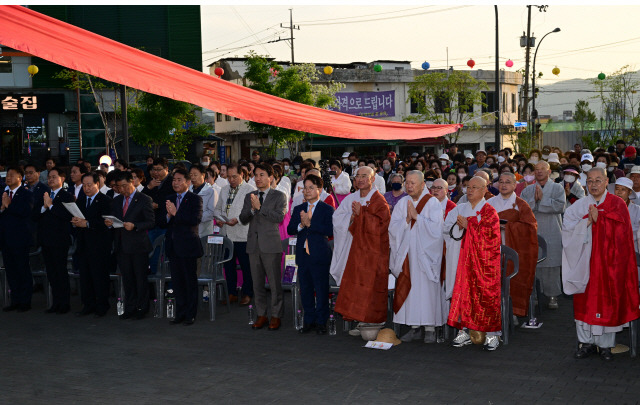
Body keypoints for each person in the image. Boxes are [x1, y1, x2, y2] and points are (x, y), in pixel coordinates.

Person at [562, 167, 640, 361]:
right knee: (584, 300)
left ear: (607, 182)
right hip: (585, 263)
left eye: (598, 180)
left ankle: (606, 345)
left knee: (607, 301)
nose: (594, 184)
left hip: (608, 264)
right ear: (585, 183)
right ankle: (585, 342)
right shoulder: (579, 205)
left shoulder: (617, 204)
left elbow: (624, 235)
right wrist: (586, 222)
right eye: (590, 181)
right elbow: (567, 227)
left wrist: (601, 219)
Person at [443, 176, 502, 351]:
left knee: (486, 296)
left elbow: (492, 238)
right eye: (468, 187)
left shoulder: (489, 211)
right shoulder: (459, 208)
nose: (470, 190)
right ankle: (464, 330)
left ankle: (492, 334)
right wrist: (460, 227)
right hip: (461, 260)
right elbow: (447, 230)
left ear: (485, 190)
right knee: (462, 293)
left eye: (475, 187)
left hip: (484, 264)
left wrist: (470, 227)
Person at [330, 166, 391, 332]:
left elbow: (382, 226)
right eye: (358, 176)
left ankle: (372, 320)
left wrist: (362, 215)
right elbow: (337, 219)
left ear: (373, 179)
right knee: (356, 284)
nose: (361, 179)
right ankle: (359, 318)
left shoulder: (379, 201)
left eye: (365, 176)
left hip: (372, 252)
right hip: (353, 249)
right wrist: (352, 217)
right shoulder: (351, 198)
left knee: (369, 285)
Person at [389, 170, 445, 343]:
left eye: (413, 183)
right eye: (407, 182)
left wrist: (417, 218)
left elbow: (437, 230)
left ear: (423, 185)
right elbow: (393, 228)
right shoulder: (402, 202)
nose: (409, 186)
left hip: (426, 256)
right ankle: (413, 327)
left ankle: (429, 328)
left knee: (426, 291)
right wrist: (406, 220)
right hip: (406, 255)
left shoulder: (432, 202)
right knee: (411, 291)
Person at [239, 164, 288, 331]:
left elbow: (279, 217)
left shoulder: (279, 196)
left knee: (274, 284)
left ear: (271, 177)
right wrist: (252, 210)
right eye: (256, 175)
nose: (258, 178)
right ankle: (261, 314)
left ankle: (276, 315)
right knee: (257, 284)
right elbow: (243, 218)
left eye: (262, 175)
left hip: (271, 245)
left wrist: (261, 208)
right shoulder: (249, 196)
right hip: (253, 245)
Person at [287, 174, 335, 335]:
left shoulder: (327, 209)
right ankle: (309, 320)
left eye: (310, 188)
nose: (307, 191)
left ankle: (322, 322)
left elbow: (329, 230)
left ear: (319, 190)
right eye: (304, 188)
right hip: (302, 254)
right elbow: (290, 229)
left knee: (321, 289)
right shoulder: (298, 209)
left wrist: (311, 224)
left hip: (320, 254)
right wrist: (302, 224)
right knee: (306, 288)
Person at [487, 172, 538, 318]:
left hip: (514, 248)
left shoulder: (521, 205)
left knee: (512, 278)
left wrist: (509, 227)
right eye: (501, 182)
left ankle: (513, 311)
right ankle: (493, 311)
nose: (503, 185)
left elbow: (531, 227)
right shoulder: (490, 203)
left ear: (515, 185)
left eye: (508, 182)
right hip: (491, 248)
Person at [105, 171, 155, 320]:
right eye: (119, 187)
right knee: (127, 279)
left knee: (140, 278)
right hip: (122, 245)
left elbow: (151, 222)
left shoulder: (144, 199)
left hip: (138, 245)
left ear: (132, 181)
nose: (123, 190)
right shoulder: (116, 200)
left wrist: (135, 226)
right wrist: (109, 223)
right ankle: (130, 307)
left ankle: (142, 307)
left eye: (125, 186)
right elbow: (115, 219)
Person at [521, 161, 566, 309]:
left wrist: (543, 200)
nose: (539, 172)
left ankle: (552, 295)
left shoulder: (558, 188)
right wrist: (534, 200)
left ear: (549, 171)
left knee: (552, 265)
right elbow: (522, 208)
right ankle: (533, 295)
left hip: (552, 230)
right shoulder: (528, 190)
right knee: (533, 265)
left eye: (542, 169)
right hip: (533, 231)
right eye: (536, 169)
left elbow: (560, 206)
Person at [162, 168, 203, 325]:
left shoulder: (194, 199)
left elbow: (194, 220)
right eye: (174, 180)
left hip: (188, 246)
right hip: (173, 246)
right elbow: (160, 221)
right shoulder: (170, 198)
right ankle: (179, 313)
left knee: (189, 282)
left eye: (179, 180)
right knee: (177, 282)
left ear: (187, 182)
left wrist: (176, 213)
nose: (175, 182)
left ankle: (190, 314)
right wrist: (167, 215)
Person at [214, 164, 256, 306]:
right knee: (228, 266)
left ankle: (247, 293)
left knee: (246, 266)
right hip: (226, 234)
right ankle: (231, 293)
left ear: (242, 175)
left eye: (234, 177)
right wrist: (219, 219)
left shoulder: (250, 190)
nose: (231, 180)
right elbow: (218, 208)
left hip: (242, 233)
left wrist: (237, 220)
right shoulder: (224, 189)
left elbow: (251, 212)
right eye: (229, 177)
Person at [73, 172, 113, 317]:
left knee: (99, 277)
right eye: (84, 185)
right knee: (85, 277)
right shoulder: (81, 200)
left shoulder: (105, 200)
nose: (87, 188)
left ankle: (102, 305)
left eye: (90, 185)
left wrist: (87, 223)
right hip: (83, 244)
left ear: (97, 184)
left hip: (99, 245)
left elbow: (107, 223)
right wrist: (76, 222)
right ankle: (88, 304)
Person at [37, 167, 74, 314]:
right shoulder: (44, 195)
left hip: (59, 240)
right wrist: (44, 207)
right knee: (51, 273)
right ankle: (55, 303)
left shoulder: (66, 196)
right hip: (46, 240)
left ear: (62, 179)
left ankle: (64, 303)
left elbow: (66, 216)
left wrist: (50, 206)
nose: (50, 179)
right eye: (49, 177)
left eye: (54, 177)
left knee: (60, 272)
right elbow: (35, 215)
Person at [1, 166, 35, 312]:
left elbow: (25, 212)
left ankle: (25, 301)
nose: (8, 178)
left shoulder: (26, 193)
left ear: (20, 178)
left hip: (20, 239)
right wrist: (2, 208)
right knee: (11, 271)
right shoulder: (3, 193)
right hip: (5, 239)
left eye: (12, 175)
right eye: (7, 175)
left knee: (22, 270)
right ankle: (15, 300)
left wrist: (8, 206)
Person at [143, 157, 174, 274]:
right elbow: (141, 199)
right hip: (152, 224)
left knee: (167, 256)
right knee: (153, 255)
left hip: (166, 224)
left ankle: (169, 285)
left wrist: (159, 205)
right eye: (154, 169)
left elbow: (173, 198)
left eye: (158, 169)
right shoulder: (150, 182)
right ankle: (156, 281)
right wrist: (149, 187)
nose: (156, 172)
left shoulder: (172, 181)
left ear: (166, 169)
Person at [189, 164, 218, 239]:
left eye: (195, 175)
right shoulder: (188, 190)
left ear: (203, 175)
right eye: (191, 175)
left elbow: (211, 212)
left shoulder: (211, 191)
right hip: (189, 230)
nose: (192, 177)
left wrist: (195, 217)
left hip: (204, 231)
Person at [613, 177, 640, 252]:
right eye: (617, 189)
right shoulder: (607, 208)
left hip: (632, 250)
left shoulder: (637, 210)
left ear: (630, 192)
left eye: (623, 189)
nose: (619, 192)